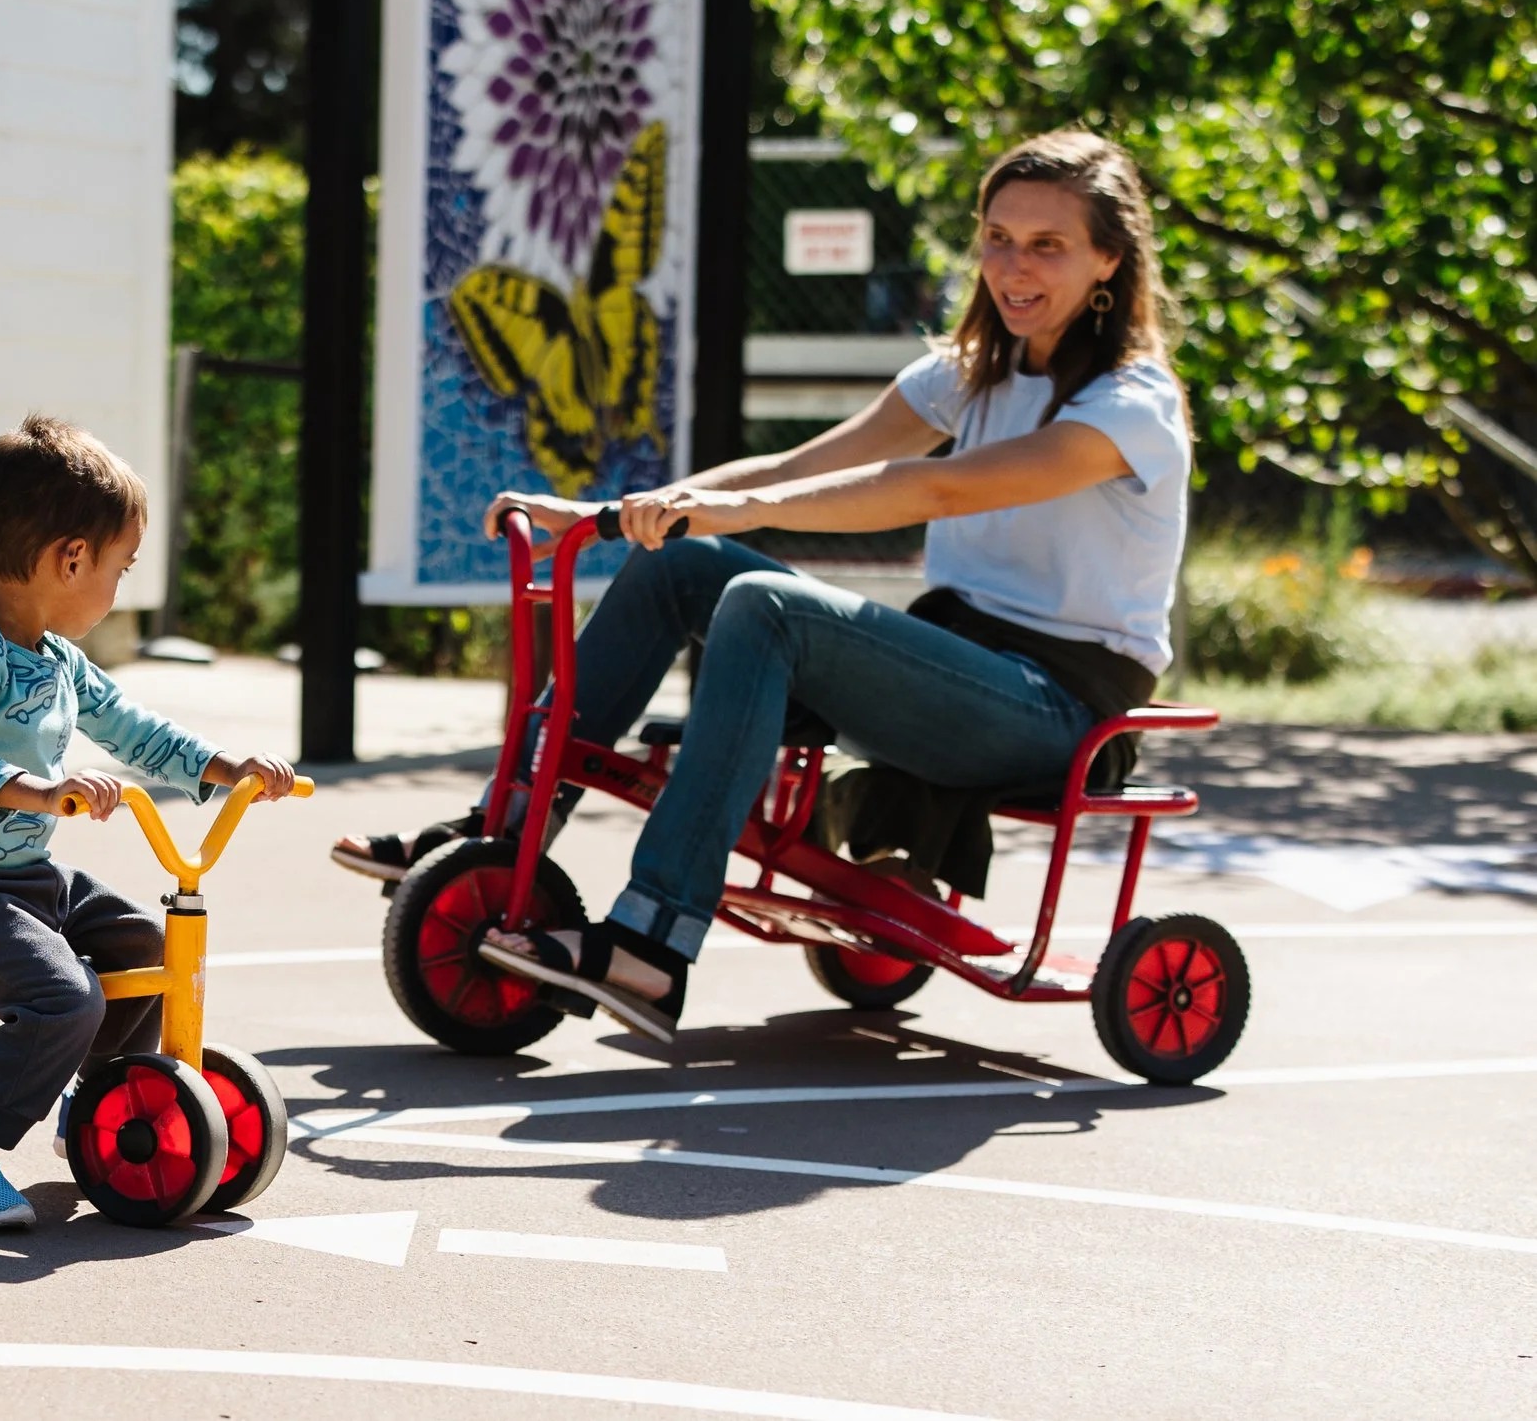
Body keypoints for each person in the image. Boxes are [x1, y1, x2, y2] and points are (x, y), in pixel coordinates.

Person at [333, 130, 1191, 1042]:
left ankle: (652, 945)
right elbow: (807, 460)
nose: (1011, 266)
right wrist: (617, 511)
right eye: (997, 236)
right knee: (684, 563)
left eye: (1046, 245)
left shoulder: (1129, 407)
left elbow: (934, 486)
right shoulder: (970, 372)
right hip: (954, 671)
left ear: (1109, 259)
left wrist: (739, 515)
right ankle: (497, 843)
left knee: (765, 603)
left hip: (1056, 710)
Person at [0, 415, 296, 1228]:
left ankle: (95, 1098)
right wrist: (39, 791)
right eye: (119, 567)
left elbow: (132, 727)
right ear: (70, 559)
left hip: (20, 880)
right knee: (66, 997)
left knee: (140, 945)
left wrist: (225, 767)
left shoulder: (56, 657)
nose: (119, 588)